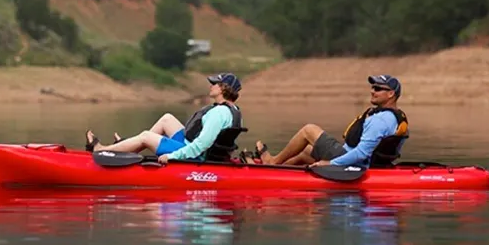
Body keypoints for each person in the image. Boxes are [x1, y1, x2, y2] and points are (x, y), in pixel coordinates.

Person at [255, 74, 408, 169]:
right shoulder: (392, 117)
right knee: (305, 152)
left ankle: (273, 163)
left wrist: (330, 164)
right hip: (357, 159)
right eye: (372, 87)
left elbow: (361, 153)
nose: (372, 91)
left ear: (390, 94)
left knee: (309, 130)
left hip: (355, 164)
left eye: (378, 88)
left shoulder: (380, 120)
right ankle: (277, 171)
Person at [85, 73, 243, 164]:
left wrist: (172, 156)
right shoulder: (232, 110)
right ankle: (128, 146)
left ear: (223, 88)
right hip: (192, 146)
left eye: (215, 83)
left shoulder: (218, 113)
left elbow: (201, 145)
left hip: (194, 155)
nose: (211, 85)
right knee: (167, 119)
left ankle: (103, 150)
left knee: (147, 136)